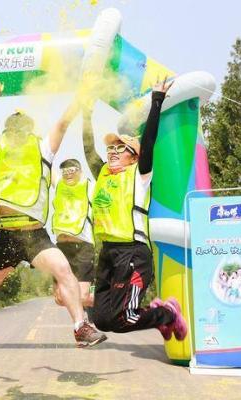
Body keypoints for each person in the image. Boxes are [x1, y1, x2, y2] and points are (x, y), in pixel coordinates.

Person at [0, 82, 106, 347]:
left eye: (22, 128)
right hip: (6, 234)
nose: (17, 132)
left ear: (30, 131)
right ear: (8, 132)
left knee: (63, 270)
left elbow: (61, 124)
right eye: (13, 128)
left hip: (34, 234)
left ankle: (80, 326)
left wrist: (79, 97)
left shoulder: (42, 150)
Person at [84, 78, 188, 341]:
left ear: (134, 155)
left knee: (123, 319)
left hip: (133, 253)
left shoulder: (140, 175)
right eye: (110, 148)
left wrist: (157, 99)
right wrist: (85, 113)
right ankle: (158, 315)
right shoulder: (104, 177)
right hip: (108, 252)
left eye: (121, 148)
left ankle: (167, 314)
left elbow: (150, 141)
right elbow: (88, 149)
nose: (113, 152)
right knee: (102, 320)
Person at [51, 159, 96, 315]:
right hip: (62, 248)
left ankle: (108, 299)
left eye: (72, 170)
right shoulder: (59, 185)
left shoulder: (90, 186)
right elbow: (44, 161)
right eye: (64, 171)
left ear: (80, 171)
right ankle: (82, 329)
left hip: (83, 247)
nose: (68, 173)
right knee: (60, 298)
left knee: (83, 296)